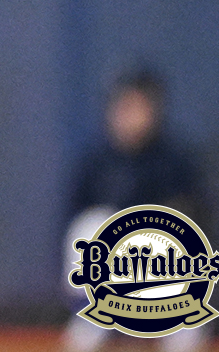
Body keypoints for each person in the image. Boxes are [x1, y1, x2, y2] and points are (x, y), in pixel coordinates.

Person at [61, 67, 211, 352]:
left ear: (154, 111)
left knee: (186, 336)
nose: (130, 116)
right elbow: (72, 225)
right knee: (91, 224)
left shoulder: (175, 163)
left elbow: (197, 232)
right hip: (109, 277)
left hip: (164, 277)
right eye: (124, 107)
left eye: (138, 107)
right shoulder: (95, 163)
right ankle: (94, 314)